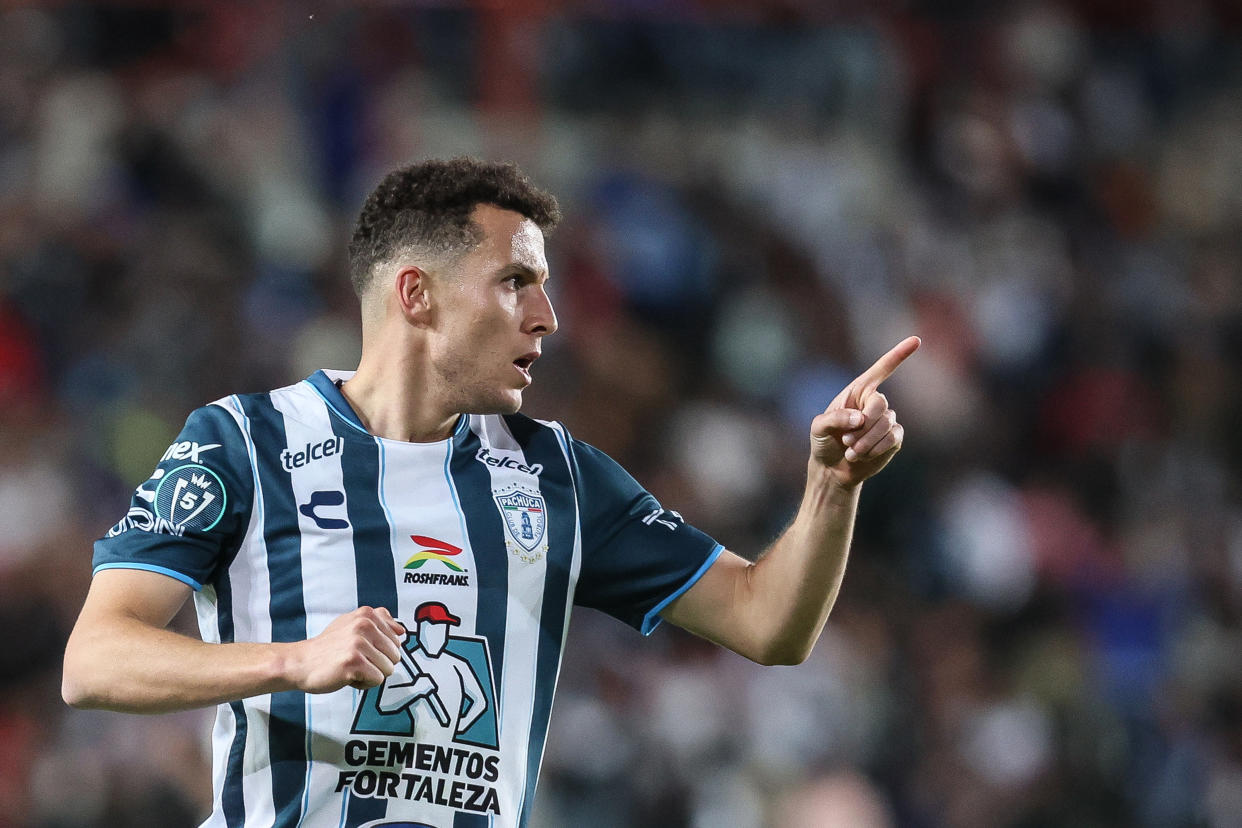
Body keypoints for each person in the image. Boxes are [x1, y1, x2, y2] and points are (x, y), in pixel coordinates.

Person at [62, 157, 919, 828]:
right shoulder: (245, 442)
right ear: (417, 294)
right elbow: (94, 659)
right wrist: (293, 662)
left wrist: (832, 487)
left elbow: (768, 623)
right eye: (515, 281)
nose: (546, 315)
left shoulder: (559, 476)